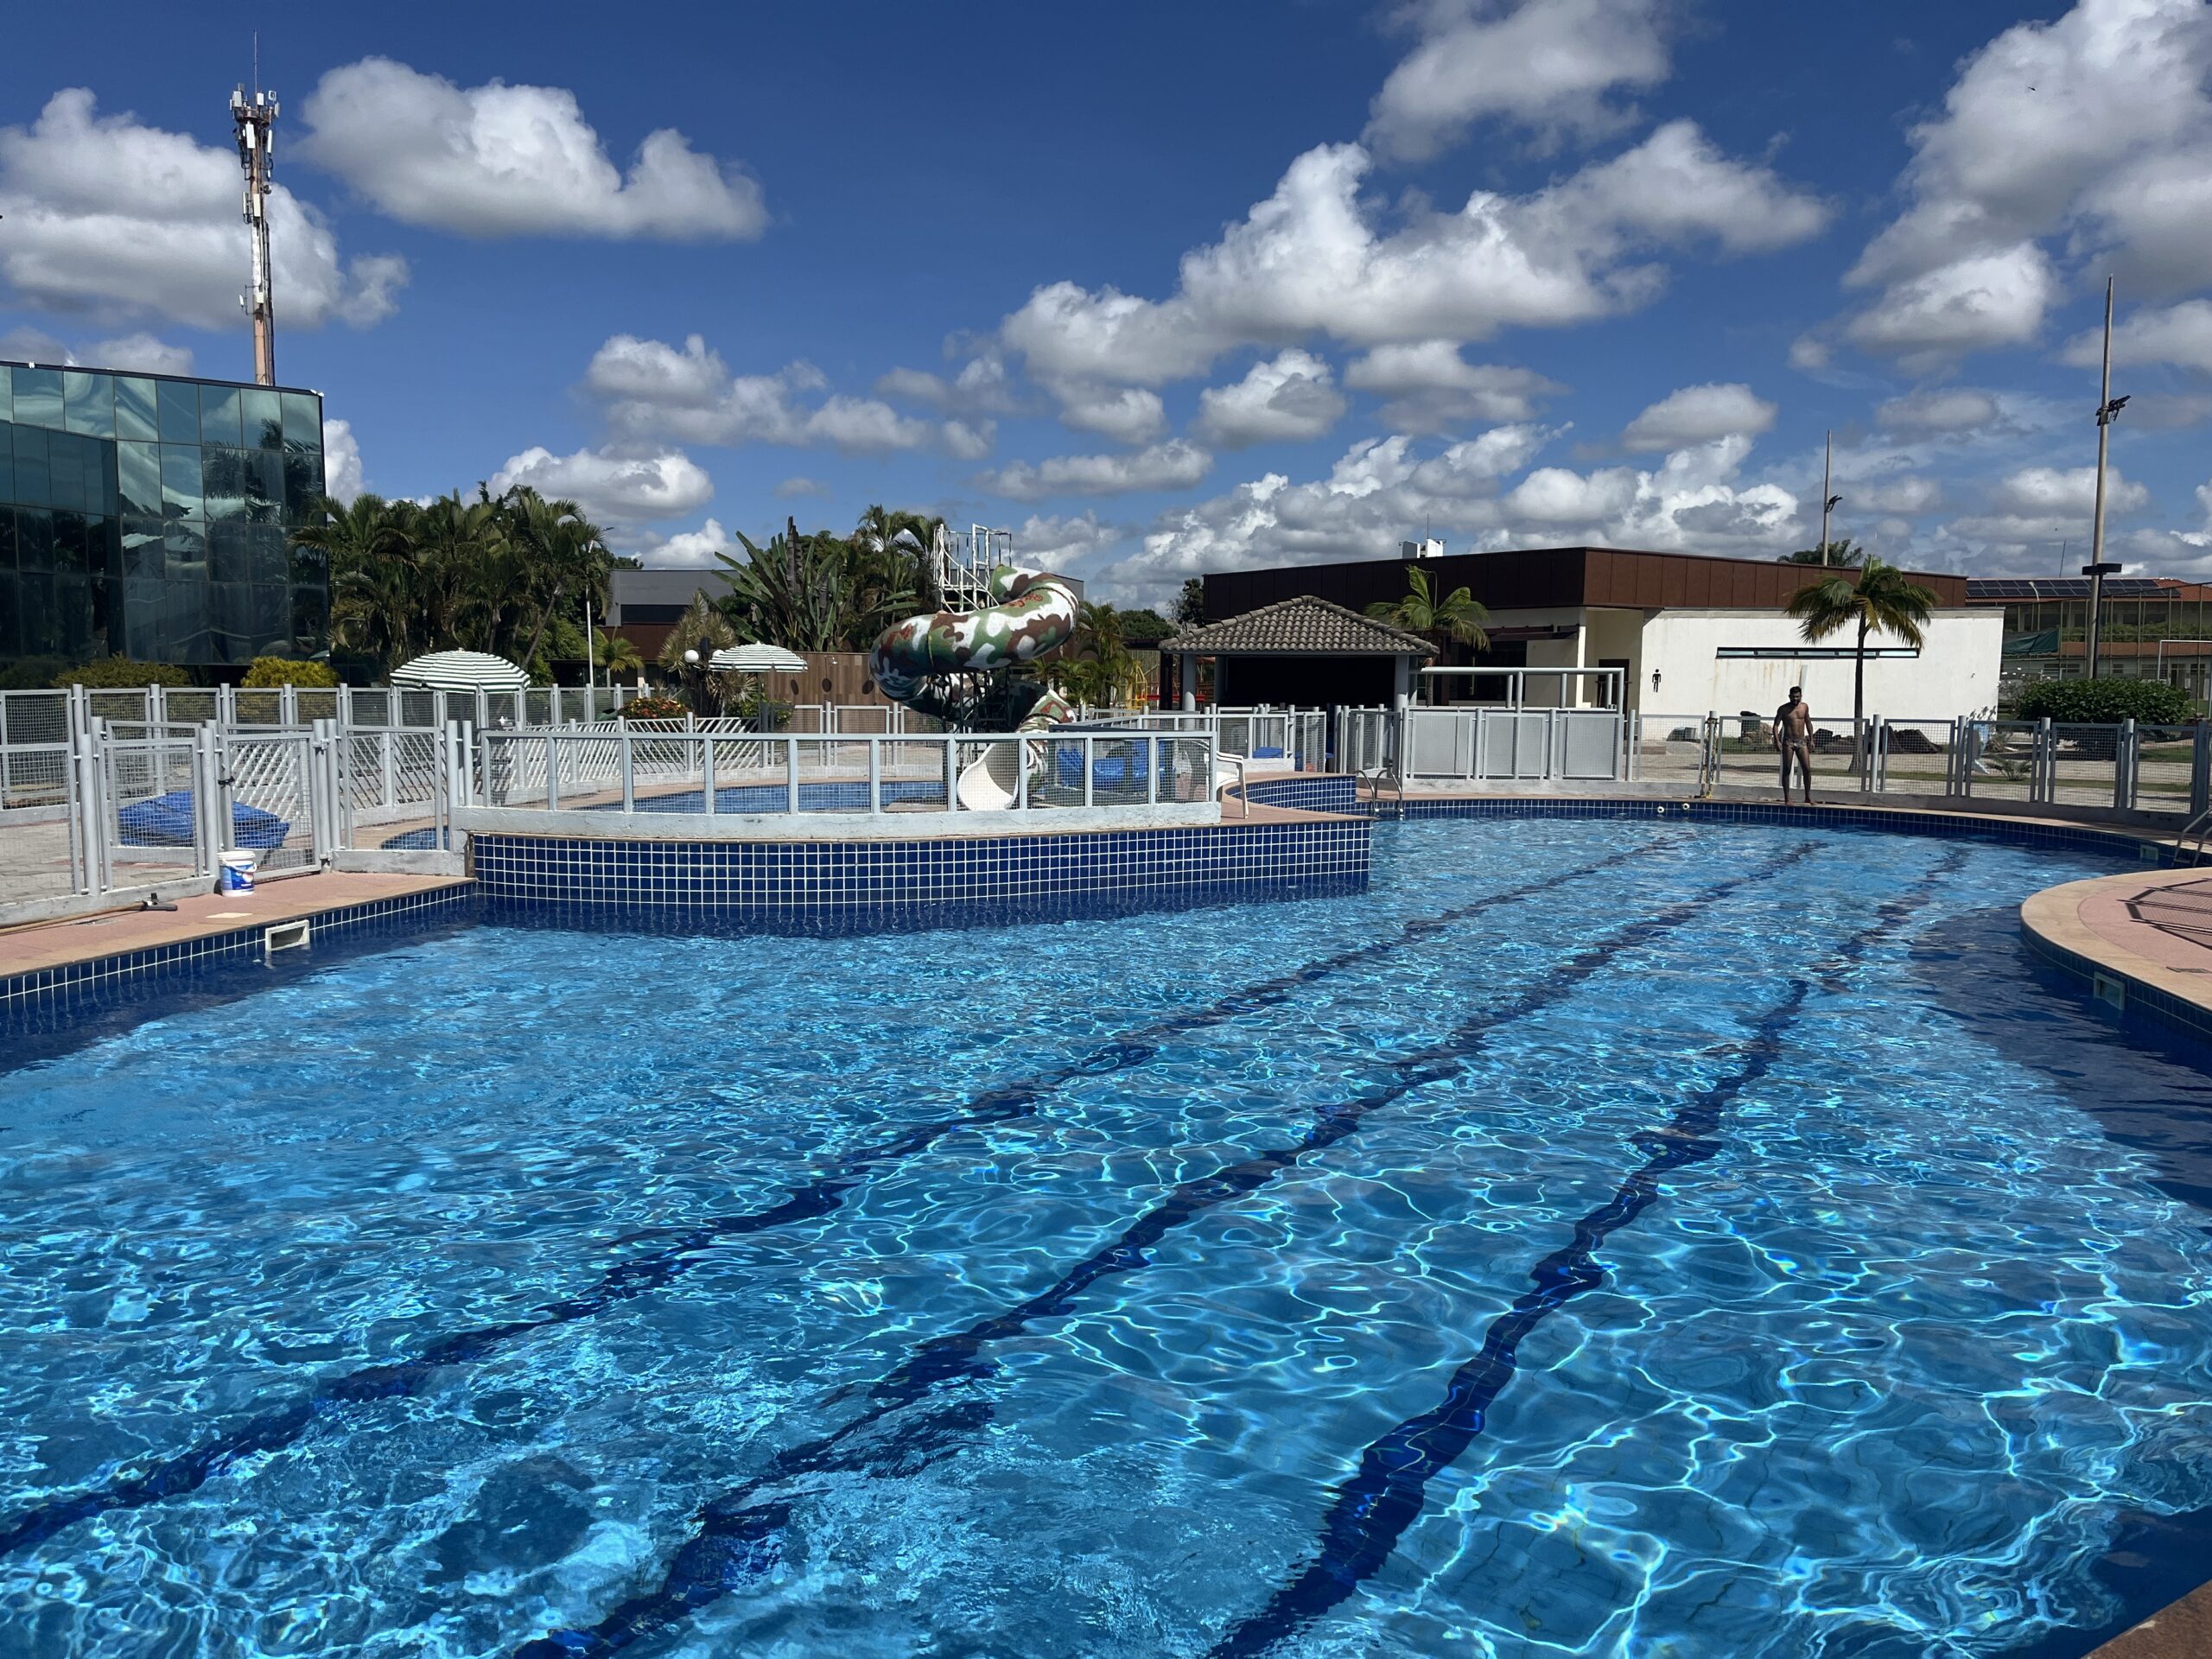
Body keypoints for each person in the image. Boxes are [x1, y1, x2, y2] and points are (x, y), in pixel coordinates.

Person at [1774, 686, 1815, 804]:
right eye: (1793, 697)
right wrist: (1777, 741)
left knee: (1807, 769)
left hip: (1802, 742)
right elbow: (1776, 725)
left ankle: (1808, 796)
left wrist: (1811, 739)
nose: (1795, 699)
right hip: (1788, 742)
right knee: (1787, 769)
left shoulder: (1804, 707)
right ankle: (1787, 798)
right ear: (1789, 696)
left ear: (1801, 696)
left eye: (1797, 697)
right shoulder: (1783, 709)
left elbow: (1808, 722)